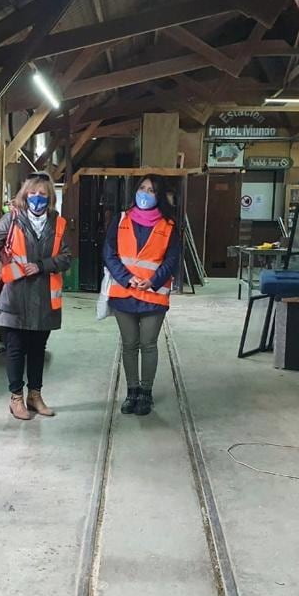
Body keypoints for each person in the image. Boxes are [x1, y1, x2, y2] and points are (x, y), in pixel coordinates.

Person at [0, 173, 71, 419]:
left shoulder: (58, 223)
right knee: (15, 349)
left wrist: (43, 265)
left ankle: (35, 396)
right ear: (25, 195)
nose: (37, 198)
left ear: (50, 198)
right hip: (15, 296)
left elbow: (66, 257)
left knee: (37, 349)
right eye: (32, 193)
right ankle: (16, 399)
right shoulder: (11, 219)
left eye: (43, 194)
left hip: (44, 297)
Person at [103, 175, 182, 416]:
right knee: (129, 345)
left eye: (151, 190)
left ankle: (145, 394)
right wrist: (127, 278)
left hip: (153, 295)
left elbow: (172, 260)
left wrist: (153, 280)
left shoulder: (169, 225)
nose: (145, 193)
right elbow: (109, 254)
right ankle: (132, 392)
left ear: (159, 196)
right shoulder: (120, 220)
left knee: (148, 345)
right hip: (124, 293)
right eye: (142, 188)